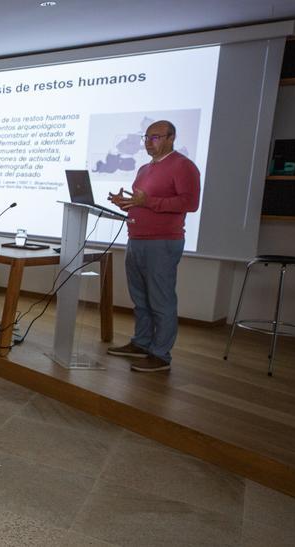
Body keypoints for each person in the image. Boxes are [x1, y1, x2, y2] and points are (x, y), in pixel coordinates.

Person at [106, 120, 200, 373]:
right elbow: (144, 202)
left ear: (171, 138)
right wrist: (124, 203)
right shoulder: (145, 169)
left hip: (162, 242)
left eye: (156, 137)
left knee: (161, 300)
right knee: (141, 299)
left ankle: (160, 355)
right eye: (146, 137)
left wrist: (149, 202)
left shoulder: (183, 166)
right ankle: (142, 343)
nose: (149, 142)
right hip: (137, 239)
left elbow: (190, 203)